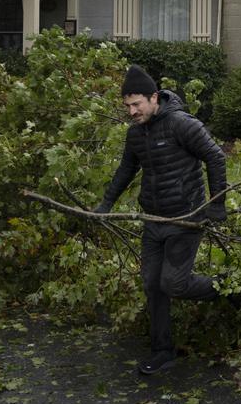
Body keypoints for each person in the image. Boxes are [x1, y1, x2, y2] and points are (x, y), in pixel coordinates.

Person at [93, 64, 228, 375]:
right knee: (152, 284)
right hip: (153, 219)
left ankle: (226, 289)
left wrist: (217, 204)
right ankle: (162, 352)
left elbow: (215, 156)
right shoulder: (136, 134)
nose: (131, 111)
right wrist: (106, 203)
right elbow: (126, 170)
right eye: (127, 106)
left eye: (136, 104)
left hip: (185, 217)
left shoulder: (182, 124)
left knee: (173, 283)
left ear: (154, 98)